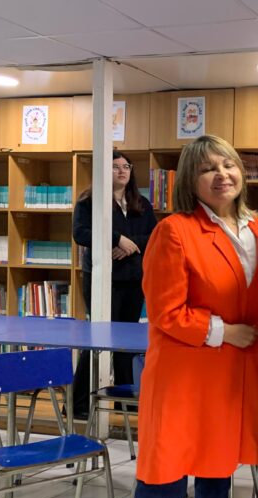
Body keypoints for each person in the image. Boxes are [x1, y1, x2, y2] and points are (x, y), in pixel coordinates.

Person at [125, 135, 258, 498]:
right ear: (191, 180)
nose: (222, 175)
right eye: (208, 168)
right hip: (185, 376)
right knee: (166, 473)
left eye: (228, 164)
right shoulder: (175, 231)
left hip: (234, 376)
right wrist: (224, 332)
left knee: (218, 470)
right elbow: (166, 312)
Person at [72, 150, 156, 418]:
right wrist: (117, 238)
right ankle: (78, 405)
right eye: (115, 166)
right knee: (96, 341)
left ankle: (124, 403)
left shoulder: (141, 203)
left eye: (126, 167)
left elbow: (154, 235)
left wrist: (129, 246)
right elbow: (80, 233)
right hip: (100, 279)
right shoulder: (90, 202)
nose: (122, 171)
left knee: (125, 343)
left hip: (132, 278)